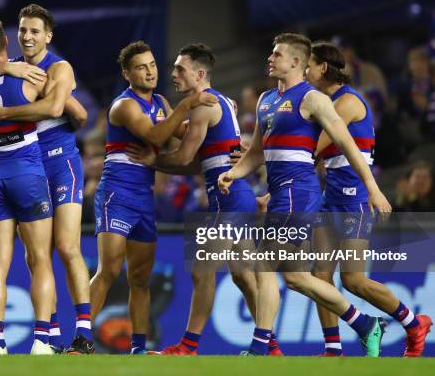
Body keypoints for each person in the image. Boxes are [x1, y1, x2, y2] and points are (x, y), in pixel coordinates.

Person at [218, 33, 392, 357]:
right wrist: (234, 172)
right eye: (271, 53)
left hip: (299, 193)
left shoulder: (314, 100)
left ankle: (259, 349)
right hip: (280, 192)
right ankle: (366, 324)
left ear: (297, 62)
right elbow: (256, 153)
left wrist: (373, 188)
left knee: (264, 264)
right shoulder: (265, 100)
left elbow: (348, 145)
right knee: (297, 278)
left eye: (277, 54)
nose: (270, 58)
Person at [127, 43, 281, 355]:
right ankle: (270, 346)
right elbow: (190, 141)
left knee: (202, 271)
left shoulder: (204, 107)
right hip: (235, 196)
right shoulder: (222, 102)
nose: (173, 74)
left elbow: (184, 158)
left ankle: (188, 346)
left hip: (229, 198)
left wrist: (150, 161)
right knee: (243, 276)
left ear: (199, 74)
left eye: (180, 69)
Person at [0, 4, 93, 354]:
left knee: (65, 246)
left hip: (59, 161)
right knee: (37, 256)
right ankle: (47, 336)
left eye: (35, 31)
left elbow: (66, 111)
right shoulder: (13, 69)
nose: (28, 36)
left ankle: (83, 332)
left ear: (48, 36)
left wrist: (3, 116)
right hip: (28, 166)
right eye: (23, 30)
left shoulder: (58, 67)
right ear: (12, 36)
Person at [89, 40, 217, 354]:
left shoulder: (159, 101)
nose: (150, 71)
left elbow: (182, 134)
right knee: (108, 270)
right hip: (116, 193)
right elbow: (158, 136)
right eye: (141, 67)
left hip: (143, 197)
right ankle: (79, 339)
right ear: (126, 73)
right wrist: (188, 105)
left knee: (141, 278)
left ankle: (137, 347)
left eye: (152, 65)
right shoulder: (124, 106)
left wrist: (215, 125)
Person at [306, 41, 432, 357]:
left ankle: (414, 322)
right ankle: (333, 350)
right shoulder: (328, 101)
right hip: (330, 199)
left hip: (353, 202)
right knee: (319, 276)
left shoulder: (346, 103)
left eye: (309, 65)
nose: (305, 71)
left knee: (354, 281)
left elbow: (313, 148)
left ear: (323, 68)